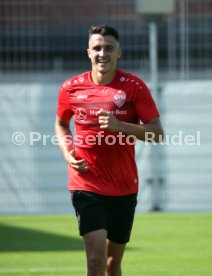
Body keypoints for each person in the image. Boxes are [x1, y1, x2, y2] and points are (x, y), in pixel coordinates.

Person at [55, 25, 164, 276]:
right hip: (86, 184)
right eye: (97, 48)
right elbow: (61, 123)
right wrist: (67, 153)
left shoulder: (134, 87)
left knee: (112, 264)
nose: (102, 53)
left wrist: (120, 126)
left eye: (108, 48)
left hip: (123, 186)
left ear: (119, 53)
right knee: (95, 261)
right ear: (88, 53)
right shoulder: (71, 87)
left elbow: (157, 134)